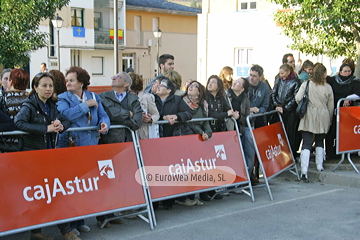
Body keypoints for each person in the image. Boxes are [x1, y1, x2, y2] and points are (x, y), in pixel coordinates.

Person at [14, 72, 79, 240]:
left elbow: (66, 121)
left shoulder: (51, 105)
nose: (48, 89)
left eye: (50, 85)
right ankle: (40, 232)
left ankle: (64, 231)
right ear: (35, 87)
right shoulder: (29, 105)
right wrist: (46, 129)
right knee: (40, 195)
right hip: (33, 157)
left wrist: (59, 125)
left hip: (49, 155)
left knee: (54, 192)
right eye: (44, 85)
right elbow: (19, 123)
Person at [56, 66, 110, 236]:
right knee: (72, 185)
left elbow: (104, 115)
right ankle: (71, 224)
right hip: (71, 145)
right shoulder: (63, 97)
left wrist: (104, 124)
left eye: (72, 80)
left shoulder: (94, 96)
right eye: (67, 80)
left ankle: (80, 220)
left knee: (85, 185)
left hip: (91, 145)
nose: (68, 83)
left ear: (81, 82)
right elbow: (64, 115)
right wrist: (85, 106)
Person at [154, 76, 192, 209]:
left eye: (162, 85)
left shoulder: (176, 100)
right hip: (154, 141)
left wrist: (176, 116)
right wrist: (161, 117)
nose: (158, 87)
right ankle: (155, 201)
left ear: (169, 90)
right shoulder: (153, 99)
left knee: (170, 171)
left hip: (171, 139)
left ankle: (168, 200)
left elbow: (188, 113)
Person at [200, 75, 238, 201]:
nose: (210, 84)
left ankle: (214, 189)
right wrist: (225, 114)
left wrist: (233, 113)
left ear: (219, 86)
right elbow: (209, 114)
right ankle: (204, 191)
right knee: (206, 163)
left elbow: (228, 110)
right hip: (208, 132)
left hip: (219, 132)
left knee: (215, 161)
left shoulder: (222, 98)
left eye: (213, 82)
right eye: (209, 82)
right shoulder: (204, 97)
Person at [296, 64, 334, 180]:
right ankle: (319, 166)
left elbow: (298, 98)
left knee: (306, 142)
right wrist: (330, 119)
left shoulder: (306, 84)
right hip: (323, 115)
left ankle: (304, 171)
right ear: (324, 74)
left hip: (309, 114)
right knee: (319, 140)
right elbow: (331, 106)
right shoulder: (328, 87)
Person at [177, 80, 211, 206]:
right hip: (186, 136)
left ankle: (192, 196)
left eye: (194, 86)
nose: (191, 87)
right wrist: (201, 132)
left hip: (197, 139)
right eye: (190, 85)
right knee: (185, 167)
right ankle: (182, 197)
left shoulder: (203, 104)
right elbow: (190, 121)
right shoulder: (182, 101)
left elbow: (205, 121)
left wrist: (208, 133)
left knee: (195, 167)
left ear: (199, 91)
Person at [325, 63, 360, 159]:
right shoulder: (333, 80)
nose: (347, 73)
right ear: (340, 71)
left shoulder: (355, 81)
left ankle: (347, 152)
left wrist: (348, 98)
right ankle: (331, 153)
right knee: (331, 130)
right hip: (333, 108)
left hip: (347, 111)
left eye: (349, 71)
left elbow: (358, 92)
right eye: (345, 71)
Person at [99, 72, 142, 144]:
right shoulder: (103, 96)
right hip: (108, 142)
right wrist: (128, 114)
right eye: (113, 76)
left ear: (126, 84)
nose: (113, 78)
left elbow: (137, 123)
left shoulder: (134, 99)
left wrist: (115, 121)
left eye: (118, 77)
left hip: (129, 142)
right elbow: (110, 113)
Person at [247, 64, 270, 183]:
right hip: (244, 120)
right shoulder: (244, 83)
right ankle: (248, 174)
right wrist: (249, 109)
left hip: (258, 120)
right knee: (247, 148)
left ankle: (256, 172)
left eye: (254, 76)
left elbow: (266, 105)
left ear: (260, 77)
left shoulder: (265, 88)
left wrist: (258, 110)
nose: (251, 78)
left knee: (257, 148)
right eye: (250, 75)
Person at [272, 64, 301, 159]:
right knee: (279, 133)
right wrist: (277, 105)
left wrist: (285, 108)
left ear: (288, 72)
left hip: (290, 112)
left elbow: (295, 98)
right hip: (279, 110)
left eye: (282, 73)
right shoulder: (278, 80)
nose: (281, 75)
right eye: (280, 73)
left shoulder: (296, 82)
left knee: (290, 133)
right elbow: (273, 93)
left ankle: (291, 154)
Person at [227, 78, 253, 176]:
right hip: (227, 130)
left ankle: (241, 180)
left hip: (239, 131)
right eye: (235, 81)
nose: (234, 83)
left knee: (239, 157)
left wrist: (238, 117)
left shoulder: (245, 100)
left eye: (238, 83)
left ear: (242, 89)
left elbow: (246, 119)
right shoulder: (226, 96)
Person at [0, 69, 29, 153]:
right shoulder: (31, 100)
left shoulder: (3, 99)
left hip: (5, 143)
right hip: (27, 144)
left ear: (11, 81)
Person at [129, 72, 160, 140]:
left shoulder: (146, 97)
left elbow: (156, 114)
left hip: (143, 134)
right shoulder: (122, 97)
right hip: (128, 133)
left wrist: (150, 119)